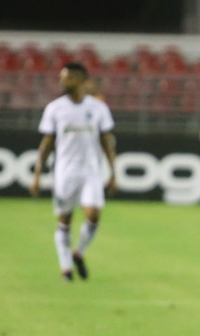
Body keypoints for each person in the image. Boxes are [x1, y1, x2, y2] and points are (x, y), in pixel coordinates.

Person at [31, 62, 117, 282]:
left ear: (81, 80)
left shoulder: (97, 108)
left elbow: (107, 140)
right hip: (65, 172)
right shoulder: (55, 108)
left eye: (67, 77)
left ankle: (78, 252)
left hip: (91, 171)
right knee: (65, 221)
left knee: (94, 215)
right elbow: (47, 143)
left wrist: (113, 172)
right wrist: (38, 173)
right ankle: (66, 269)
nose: (62, 81)